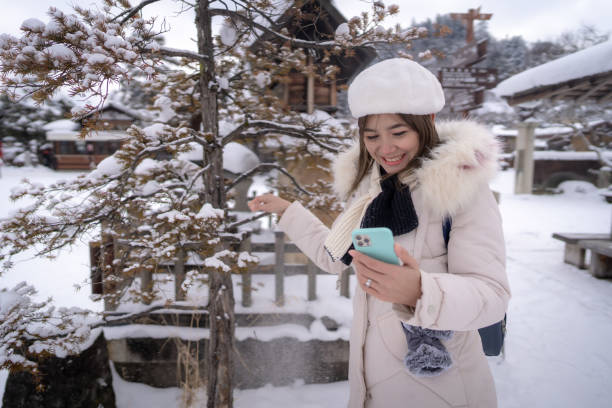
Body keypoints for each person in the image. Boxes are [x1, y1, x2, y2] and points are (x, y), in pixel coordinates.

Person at [248, 58, 510, 408]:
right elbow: (334, 257)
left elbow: (492, 296)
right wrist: (287, 211)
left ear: (427, 122)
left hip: (441, 389)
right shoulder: (371, 192)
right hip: (372, 382)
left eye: (399, 133)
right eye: (372, 136)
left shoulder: (460, 189)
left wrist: (420, 290)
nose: (385, 148)